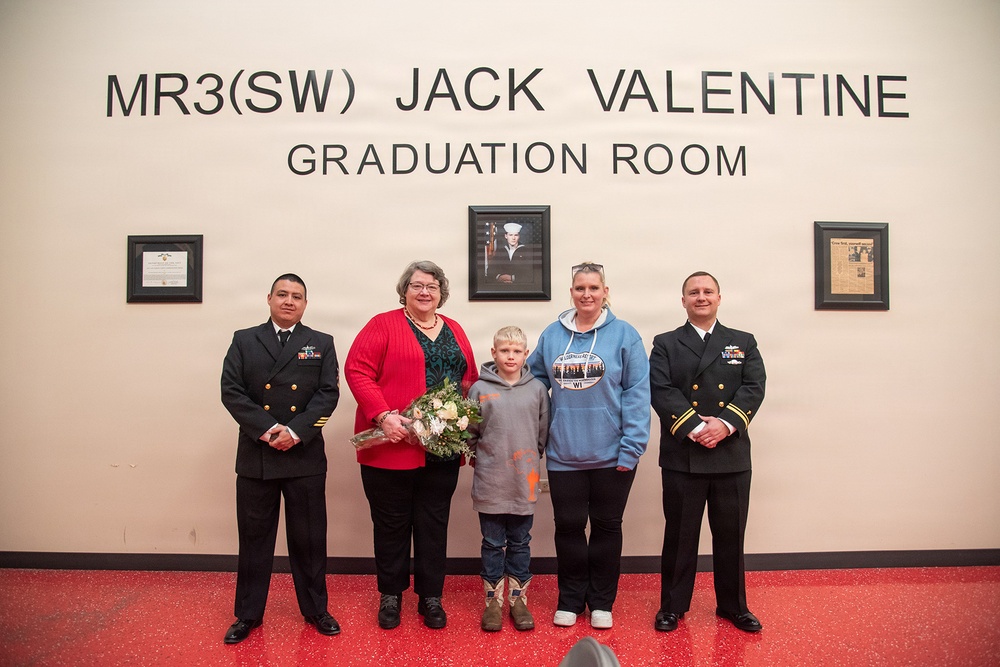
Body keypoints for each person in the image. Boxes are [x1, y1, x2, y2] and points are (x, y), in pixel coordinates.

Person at [344, 260, 478, 630]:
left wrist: (466, 422)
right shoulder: (382, 324)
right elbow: (357, 370)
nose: (424, 292)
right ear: (405, 290)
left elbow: (469, 379)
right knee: (391, 524)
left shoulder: (455, 328)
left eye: (432, 287)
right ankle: (391, 595)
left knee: (434, 523)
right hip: (392, 445)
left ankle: (431, 597)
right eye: (417, 285)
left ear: (441, 294)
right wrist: (383, 415)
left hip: (442, 450)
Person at [526, 262, 650, 630]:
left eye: (594, 288)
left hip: (614, 454)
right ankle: (569, 599)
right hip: (565, 454)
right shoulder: (552, 335)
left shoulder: (625, 335)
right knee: (567, 528)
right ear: (571, 293)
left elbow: (638, 395)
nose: (587, 294)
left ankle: (601, 601)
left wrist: (632, 447)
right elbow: (531, 384)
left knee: (607, 528)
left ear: (605, 292)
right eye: (580, 288)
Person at [220, 273, 341, 644]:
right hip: (258, 453)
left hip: (303, 454)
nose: (289, 301)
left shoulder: (321, 343)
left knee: (309, 539)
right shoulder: (244, 340)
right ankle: (248, 614)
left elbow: (328, 395)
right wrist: (270, 429)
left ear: (306, 304)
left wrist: (295, 432)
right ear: (269, 298)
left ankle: (316, 609)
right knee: (255, 540)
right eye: (283, 294)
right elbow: (231, 391)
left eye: (297, 296)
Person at [649, 271, 766, 634]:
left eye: (708, 291)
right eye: (693, 292)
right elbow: (661, 389)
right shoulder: (666, 343)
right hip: (685, 453)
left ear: (719, 298)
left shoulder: (742, 341)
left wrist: (725, 424)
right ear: (682, 300)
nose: (701, 297)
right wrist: (697, 428)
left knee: (731, 536)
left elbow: (754, 386)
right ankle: (672, 606)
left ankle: (733, 606)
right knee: (680, 535)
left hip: (730, 454)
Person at [467, 326, 550, 632]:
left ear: (526, 354)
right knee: (491, 542)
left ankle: (517, 600)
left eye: (517, 351)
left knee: (520, 542)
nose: (510, 356)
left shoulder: (537, 390)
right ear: (493, 353)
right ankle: (492, 602)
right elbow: (471, 433)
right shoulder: (479, 389)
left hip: (523, 481)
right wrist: (485, 458)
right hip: (490, 479)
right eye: (504, 351)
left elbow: (542, 433)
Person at [490, 222, 536, 287]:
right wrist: (499, 277)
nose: (513, 238)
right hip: (502, 286)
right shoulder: (501, 251)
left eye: (516, 235)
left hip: (520, 287)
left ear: (519, 236)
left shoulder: (526, 251)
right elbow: (491, 270)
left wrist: (512, 278)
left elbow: (530, 274)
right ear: (506, 236)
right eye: (510, 235)